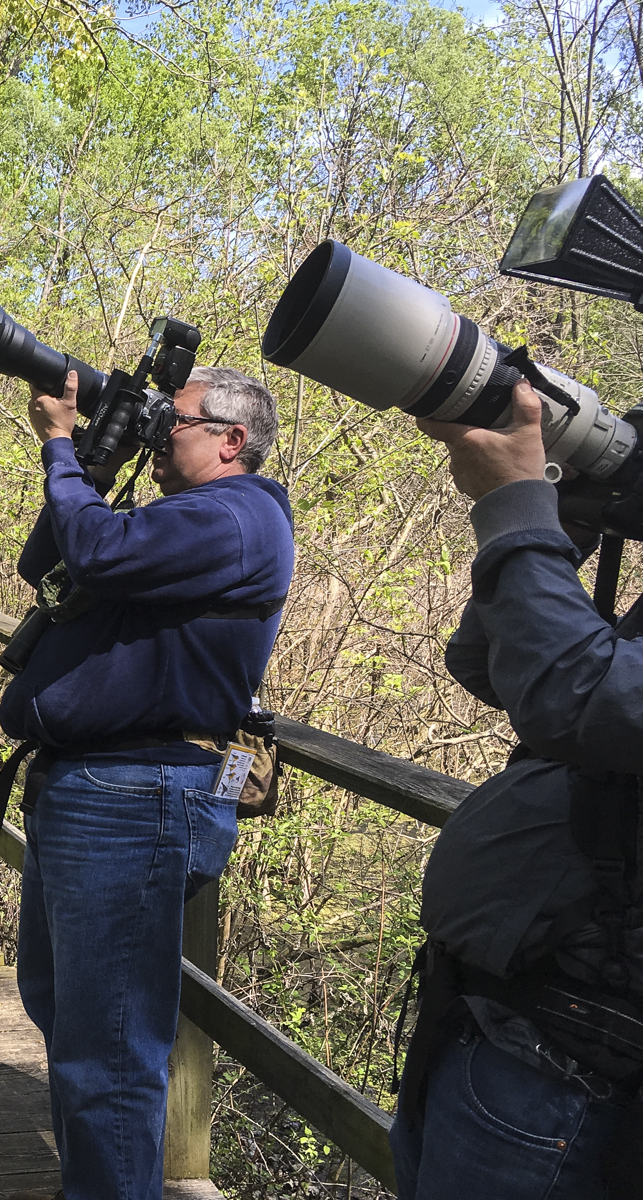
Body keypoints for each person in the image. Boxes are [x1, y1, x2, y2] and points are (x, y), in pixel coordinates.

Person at [0, 367, 292, 1200]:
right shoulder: (181, 518)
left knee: (111, 1049)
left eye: (179, 420)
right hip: (96, 788)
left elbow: (96, 549)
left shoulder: (240, 518)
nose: (163, 432)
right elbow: (46, 559)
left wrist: (57, 442)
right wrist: (87, 462)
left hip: (139, 795)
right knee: (64, 1009)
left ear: (232, 441)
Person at [388, 380, 643, 1200]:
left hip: (573, 1070)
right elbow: (489, 662)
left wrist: (517, 510)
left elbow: (579, 698)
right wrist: (560, 523)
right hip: (500, 1026)